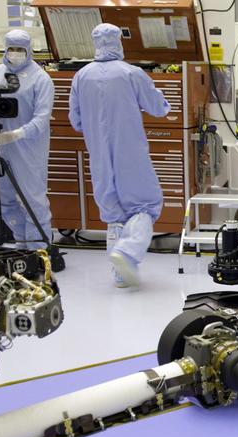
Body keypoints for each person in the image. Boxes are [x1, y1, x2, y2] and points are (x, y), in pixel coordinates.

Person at [68, 23, 171, 287]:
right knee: (145, 206)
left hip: (99, 153)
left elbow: (76, 120)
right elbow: (158, 108)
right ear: (118, 42)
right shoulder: (131, 73)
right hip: (130, 153)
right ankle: (127, 252)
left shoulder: (81, 76)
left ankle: (119, 275)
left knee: (113, 213)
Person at [0, 29, 53, 247]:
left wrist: (15, 134)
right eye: (11, 49)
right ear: (5, 49)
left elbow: (42, 118)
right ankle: (22, 241)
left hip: (28, 149)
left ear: (29, 50)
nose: (15, 53)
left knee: (33, 201)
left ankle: (39, 250)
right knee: (4, 199)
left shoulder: (41, 79)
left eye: (20, 49)